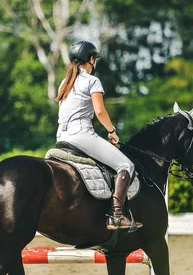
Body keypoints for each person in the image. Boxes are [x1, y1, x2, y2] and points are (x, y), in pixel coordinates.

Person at [55, 40, 143, 230]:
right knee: (126, 165)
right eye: (94, 58)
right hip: (81, 135)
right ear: (90, 59)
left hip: (61, 136)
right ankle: (117, 216)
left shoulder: (65, 82)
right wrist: (112, 132)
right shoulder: (92, 81)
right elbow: (100, 111)